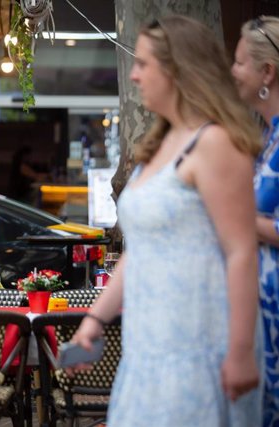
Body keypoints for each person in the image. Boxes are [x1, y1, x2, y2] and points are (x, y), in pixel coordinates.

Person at [71, 16, 263, 426]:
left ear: (177, 69)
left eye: (142, 64)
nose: (134, 74)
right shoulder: (158, 145)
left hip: (200, 344)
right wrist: (94, 319)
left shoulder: (214, 142)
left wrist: (241, 350)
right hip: (148, 345)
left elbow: (242, 251)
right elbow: (138, 253)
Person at [231, 16, 279, 426]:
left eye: (240, 62)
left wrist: (235, 216)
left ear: (267, 72)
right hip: (261, 310)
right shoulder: (267, 138)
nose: (233, 72)